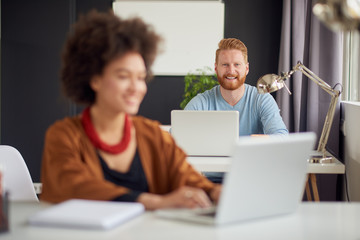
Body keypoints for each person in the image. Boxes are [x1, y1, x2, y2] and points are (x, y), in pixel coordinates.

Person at [40, 10, 221, 210]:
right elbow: (72, 187)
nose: (136, 88)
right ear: (94, 79)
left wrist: (214, 192)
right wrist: (154, 202)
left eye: (141, 77)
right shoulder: (63, 136)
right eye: (124, 76)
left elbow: (185, 176)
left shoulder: (153, 135)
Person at [185, 38, 288, 183]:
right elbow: (175, 139)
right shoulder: (202, 102)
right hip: (212, 183)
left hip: (253, 180)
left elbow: (282, 137)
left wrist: (256, 141)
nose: (231, 71)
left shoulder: (261, 99)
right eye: (225, 65)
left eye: (237, 65)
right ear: (216, 68)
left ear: (246, 68)